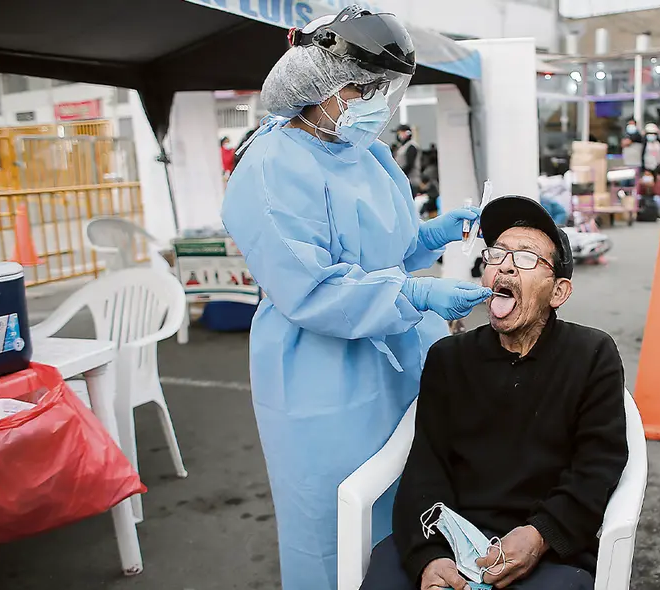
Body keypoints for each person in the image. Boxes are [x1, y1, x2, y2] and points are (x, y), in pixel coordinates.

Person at [220, 7, 493, 590]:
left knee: (411, 506)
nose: (377, 101)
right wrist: (416, 293)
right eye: (362, 86)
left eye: (382, 87)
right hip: (321, 374)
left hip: (398, 357)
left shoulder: (363, 150)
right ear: (314, 82)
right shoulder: (269, 167)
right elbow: (314, 288)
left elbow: (384, 252)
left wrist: (436, 234)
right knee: (334, 525)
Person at [360, 195, 629, 590]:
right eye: (497, 253)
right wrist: (428, 557)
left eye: (525, 258)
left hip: (548, 549)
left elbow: (597, 466)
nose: (504, 264)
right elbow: (425, 466)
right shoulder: (449, 358)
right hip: (452, 542)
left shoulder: (591, 355)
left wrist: (539, 536)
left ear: (558, 292)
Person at [395, 123, 421, 194]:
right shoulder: (402, 147)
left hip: (410, 181)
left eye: (400, 133)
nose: (398, 135)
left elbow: (409, 165)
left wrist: (399, 174)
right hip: (404, 181)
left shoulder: (411, 147)